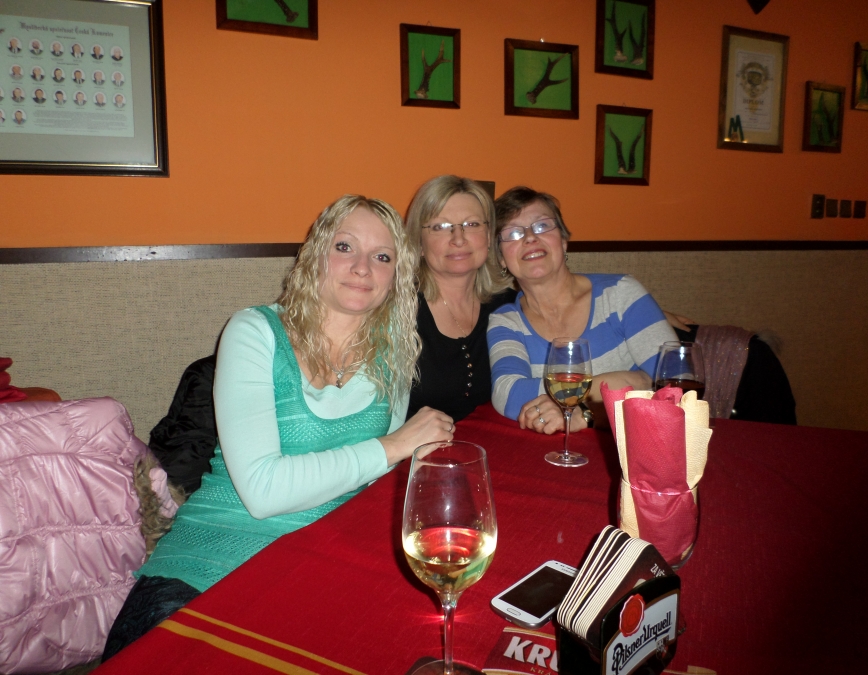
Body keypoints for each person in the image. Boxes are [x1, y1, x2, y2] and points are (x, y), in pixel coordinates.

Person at [102, 194, 454, 659]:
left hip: (323, 562)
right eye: (345, 247)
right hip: (213, 555)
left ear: (397, 275)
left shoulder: (394, 352)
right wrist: (394, 445)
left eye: (382, 256)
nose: (362, 267)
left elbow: (373, 484)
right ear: (315, 255)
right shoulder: (255, 331)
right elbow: (263, 491)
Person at [487, 186, 677, 435]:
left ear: (563, 240)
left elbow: (675, 384)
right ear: (501, 258)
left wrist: (586, 411)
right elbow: (508, 395)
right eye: (513, 233)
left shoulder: (620, 294)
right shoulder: (505, 321)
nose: (530, 238)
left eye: (542, 226)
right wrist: (627, 382)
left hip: (634, 445)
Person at [404, 175, 515, 422]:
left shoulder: (511, 306)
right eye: (440, 226)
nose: (458, 238)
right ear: (419, 243)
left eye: (472, 224)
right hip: (415, 446)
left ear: (489, 236)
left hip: (492, 442)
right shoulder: (395, 310)